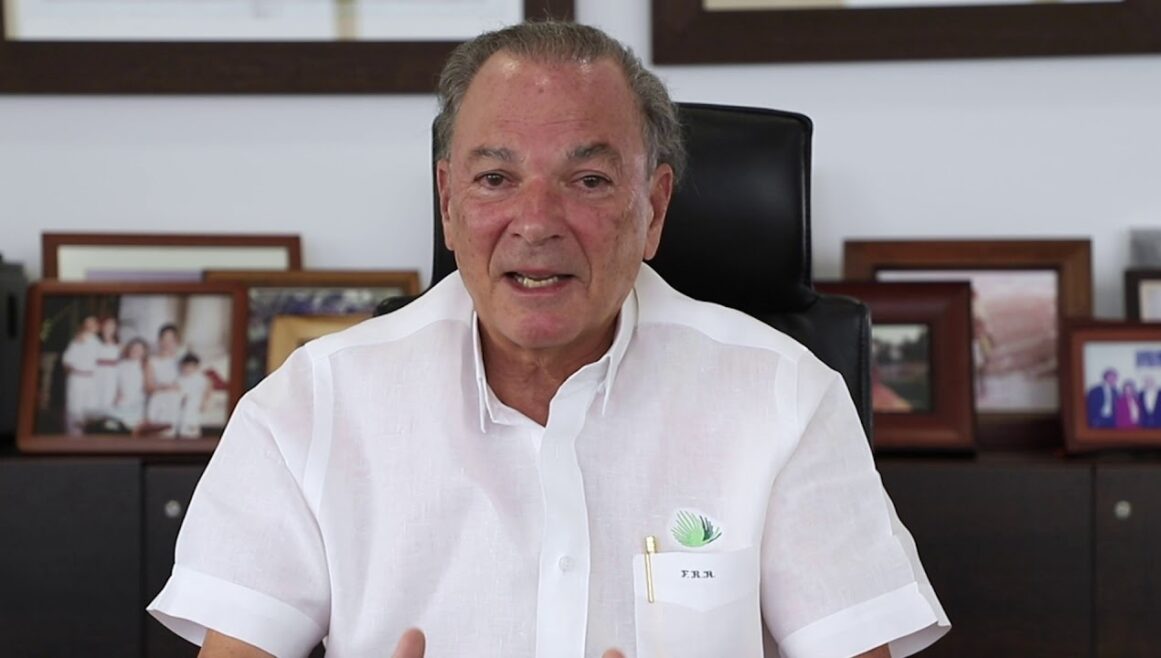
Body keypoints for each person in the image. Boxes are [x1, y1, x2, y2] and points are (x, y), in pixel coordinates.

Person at [148, 21, 948, 658]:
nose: (535, 222)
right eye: (496, 179)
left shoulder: (785, 395)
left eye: (588, 180)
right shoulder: (313, 402)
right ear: (448, 201)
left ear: (655, 209)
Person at [61, 315, 101, 436]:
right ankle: (73, 436)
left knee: (89, 408)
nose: (90, 327)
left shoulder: (98, 342)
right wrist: (72, 375)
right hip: (77, 377)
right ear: (84, 326)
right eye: (87, 324)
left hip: (92, 379)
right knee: (74, 408)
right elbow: (66, 361)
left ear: (97, 327)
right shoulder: (77, 340)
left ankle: (86, 437)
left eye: (93, 324)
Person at [145, 323, 184, 437]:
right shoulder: (152, 361)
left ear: (176, 341)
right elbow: (150, 387)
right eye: (164, 339)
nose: (167, 343)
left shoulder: (182, 361)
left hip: (177, 402)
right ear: (159, 341)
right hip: (158, 401)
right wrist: (166, 387)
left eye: (171, 340)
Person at [112, 337, 149, 432]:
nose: (135, 351)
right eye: (133, 348)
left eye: (139, 349)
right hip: (122, 404)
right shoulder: (121, 365)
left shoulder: (146, 366)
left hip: (139, 404)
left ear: (144, 352)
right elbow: (114, 383)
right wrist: (116, 395)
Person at [175, 353, 210, 439]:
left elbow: (206, 392)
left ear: (196, 367)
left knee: (194, 426)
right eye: (186, 366)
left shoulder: (201, 379)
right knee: (183, 425)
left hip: (196, 405)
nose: (188, 369)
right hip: (183, 407)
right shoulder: (179, 379)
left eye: (191, 366)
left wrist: (205, 402)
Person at [93, 316, 121, 414]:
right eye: (107, 325)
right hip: (96, 376)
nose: (109, 328)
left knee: (108, 404)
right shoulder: (94, 342)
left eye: (112, 325)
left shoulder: (119, 346)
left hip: (111, 379)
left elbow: (121, 367)